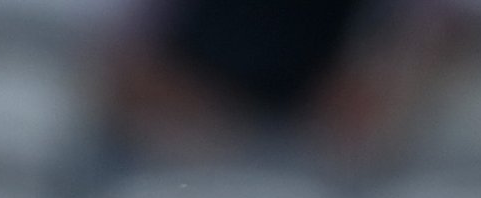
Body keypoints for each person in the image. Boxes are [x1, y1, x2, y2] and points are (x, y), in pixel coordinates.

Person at [107, 0, 453, 162]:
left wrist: (387, 77)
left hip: (334, 138)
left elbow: (443, 33)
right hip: (195, 131)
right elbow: (126, 66)